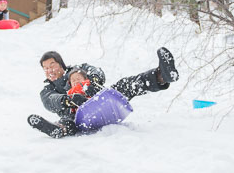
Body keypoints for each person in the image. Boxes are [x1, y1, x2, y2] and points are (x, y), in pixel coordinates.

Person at [31, 48, 178, 137]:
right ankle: (58, 129)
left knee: (125, 85)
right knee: (68, 121)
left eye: (52, 65)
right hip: (79, 117)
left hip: (101, 101)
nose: (50, 70)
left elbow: (96, 71)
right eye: (46, 68)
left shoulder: (79, 68)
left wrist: (92, 82)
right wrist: (68, 100)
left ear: (61, 65)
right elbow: (50, 101)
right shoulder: (47, 89)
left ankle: (162, 76)